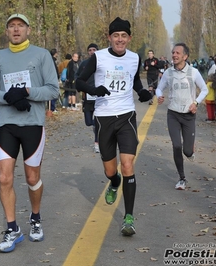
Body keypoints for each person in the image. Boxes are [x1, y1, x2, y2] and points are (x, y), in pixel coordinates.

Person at [0, 13, 59, 253]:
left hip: (33, 124)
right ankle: (12, 228)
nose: (16, 30)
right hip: (7, 124)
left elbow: (53, 90)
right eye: (11, 27)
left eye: (20, 26)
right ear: (7, 32)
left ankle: (35, 218)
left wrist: (26, 91)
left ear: (28, 30)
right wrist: (7, 97)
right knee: (4, 178)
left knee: (31, 178)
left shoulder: (41, 55)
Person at [76, 17, 152, 236]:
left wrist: (142, 92)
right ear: (109, 38)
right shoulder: (98, 57)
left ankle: (129, 217)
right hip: (104, 117)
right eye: (116, 35)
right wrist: (95, 90)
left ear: (129, 38)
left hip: (126, 116)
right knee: (111, 170)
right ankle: (114, 181)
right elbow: (79, 81)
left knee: (127, 164)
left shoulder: (134, 58)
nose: (120, 39)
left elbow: (134, 79)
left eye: (124, 36)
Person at [156, 43, 208, 190]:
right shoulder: (168, 73)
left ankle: (190, 150)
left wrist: (196, 103)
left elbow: (204, 89)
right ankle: (182, 178)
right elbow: (160, 88)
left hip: (188, 115)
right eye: (173, 52)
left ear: (185, 56)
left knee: (187, 151)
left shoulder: (193, 72)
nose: (174, 55)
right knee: (176, 145)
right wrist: (159, 96)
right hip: (173, 114)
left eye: (178, 53)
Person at [76, 43, 100, 153]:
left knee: (99, 121)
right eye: (90, 50)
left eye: (94, 49)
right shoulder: (84, 64)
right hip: (87, 95)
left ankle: (97, 142)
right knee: (88, 122)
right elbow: (78, 77)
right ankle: (96, 125)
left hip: (99, 95)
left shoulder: (102, 63)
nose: (92, 52)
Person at [49, 48, 59, 113]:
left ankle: (52, 107)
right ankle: (52, 108)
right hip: (52, 79)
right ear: (55, 54)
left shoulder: (51, 60)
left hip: (53, 78)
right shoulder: (51, 61)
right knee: (53, 94)